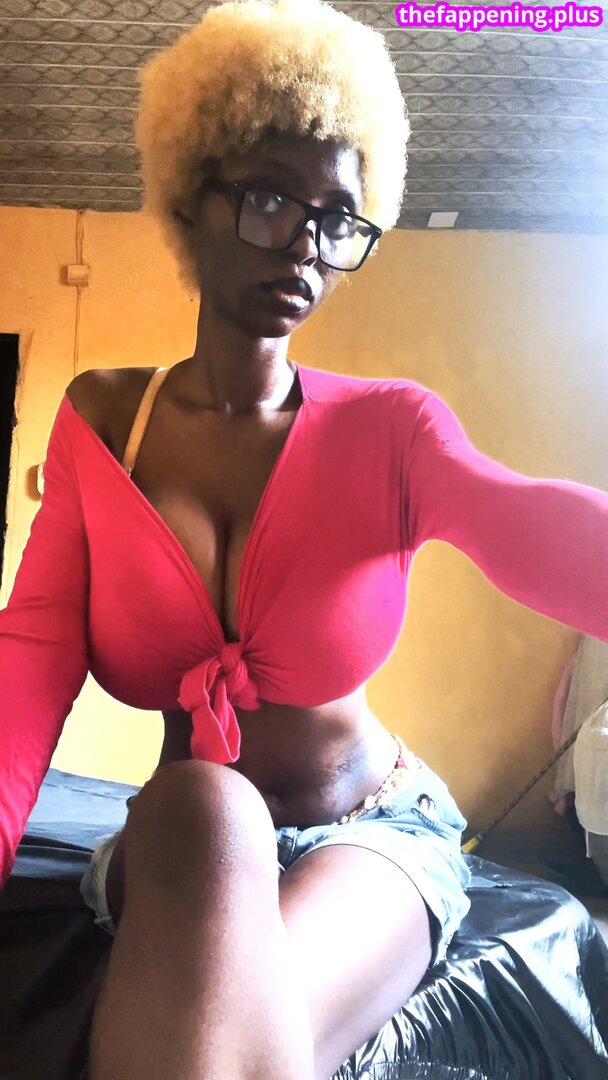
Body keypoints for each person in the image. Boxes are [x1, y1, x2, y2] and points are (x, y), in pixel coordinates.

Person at [1, 1, 607, 1077]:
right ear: (190, 201)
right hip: (185, 840)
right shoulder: (102, 422)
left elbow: (524, 522)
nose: (307, 248)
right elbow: (32, 653)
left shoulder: (390, 430)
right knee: (200, 798)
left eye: (338, 219)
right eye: (273, 200)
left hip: (370, 831)